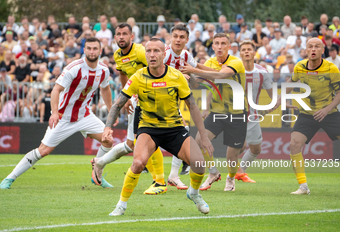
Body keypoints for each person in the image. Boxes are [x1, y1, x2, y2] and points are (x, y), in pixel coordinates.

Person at [97, 37, 213, 216]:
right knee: (137, 163)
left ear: (164, 53)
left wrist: (204, 136)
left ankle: (194, 193)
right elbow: (118, 103)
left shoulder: (176, 76)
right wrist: (107, 127)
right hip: (149, 130)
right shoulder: (138, 76)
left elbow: (193, 106)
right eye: (148, 51)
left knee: (199, 164)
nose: (152, 55)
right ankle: (121, 204)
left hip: (174, 129)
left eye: (156, 51)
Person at [0, 37, 114, 189]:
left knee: (108, 140)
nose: (92, 51)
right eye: (89, 48)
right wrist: (54, 113)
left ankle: (96, 174)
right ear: (84, 50)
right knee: (43, 151)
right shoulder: (74, 68)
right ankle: (9, 179)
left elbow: (105, 89)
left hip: (85, 115)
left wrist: (112, 113)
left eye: (95, 48)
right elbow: (56, 90)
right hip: (63, 117)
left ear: (100, 51)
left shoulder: (104, 70)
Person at [90, 23, 166, 195]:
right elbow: (123, 73)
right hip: (139, 101)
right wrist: (127, 97)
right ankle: (159, 181)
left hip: (152, 99)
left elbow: (157, 67)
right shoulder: (118, 55)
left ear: (132, 36)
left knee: (136, 143)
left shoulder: (140, 51)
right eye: (118, 34)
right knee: (142, 142)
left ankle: (100, 162)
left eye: (125, 34)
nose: (121, 37)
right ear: (114, 37)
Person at [180, 33, 247, 192]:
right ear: (213, 46)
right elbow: (198, 84)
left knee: (231, 155)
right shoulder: (210, 62)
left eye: (223, 43)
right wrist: (187, 76)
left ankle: (230, 178)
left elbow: (221, 75)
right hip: (217, 112)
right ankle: (213, 172)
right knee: (200, 139)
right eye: (216, 43)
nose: (219, 46)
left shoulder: (235, 62)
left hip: (237, 112)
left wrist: (194, 68)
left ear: (229, 46)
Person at [279, 38, 340, 194]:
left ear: (322, 50)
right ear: (306, 50)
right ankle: (303, 187)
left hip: (329, 113)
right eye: (310, 46)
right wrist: (279, 99)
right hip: (307, 114)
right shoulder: (300, 66)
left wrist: (326, 109)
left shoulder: (331, 68)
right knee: (294, 144)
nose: (313, 49)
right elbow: (291, 84)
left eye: (317, 46)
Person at [235, 40, 298, 181]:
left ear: (254, 52)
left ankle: (240, 173)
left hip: (253, 116)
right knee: (240, 146)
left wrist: (284, 104)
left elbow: (272, 96)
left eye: (249, 49)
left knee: (256, 149)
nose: (246, 52)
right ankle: (232, 175)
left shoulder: (263, 73)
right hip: (236, 116)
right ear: (240, 53)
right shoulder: (234, 70)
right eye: (243, 49)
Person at [164, 24, 216, 189]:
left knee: (182, 131)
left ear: (187, 40)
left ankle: (172, 175)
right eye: (175, 36)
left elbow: (192, 81)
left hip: (170, 104)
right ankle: (100, 162)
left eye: (182, 37)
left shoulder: (186, 55)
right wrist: (181, 76)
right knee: (134, 143)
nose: (178, 40)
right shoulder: (164, 55)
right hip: (151, 101)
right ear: (171, 37)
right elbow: (154, 76)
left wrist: (215, 75)